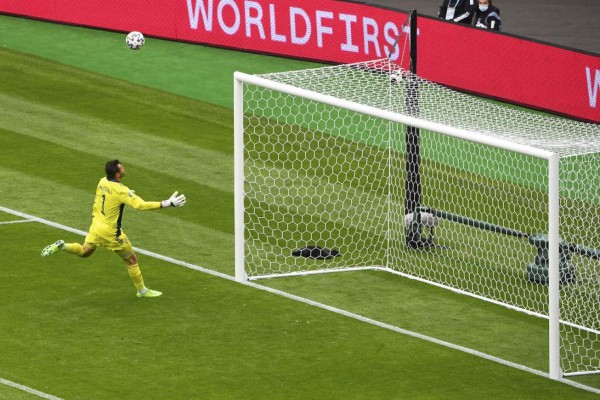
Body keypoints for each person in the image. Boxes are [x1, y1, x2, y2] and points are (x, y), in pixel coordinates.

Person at [41, 160, 186, 298]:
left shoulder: (102, 181)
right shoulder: (121, 190)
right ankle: (142, 291)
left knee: (85, 252)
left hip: (96, 226)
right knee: (131, 259)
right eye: (121, 168)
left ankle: (63, 246)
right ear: (117, 174)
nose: (124, 168)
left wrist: (127, 194)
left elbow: (111, 194)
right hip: (111, 233)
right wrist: (167, 203)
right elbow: (140, 206)